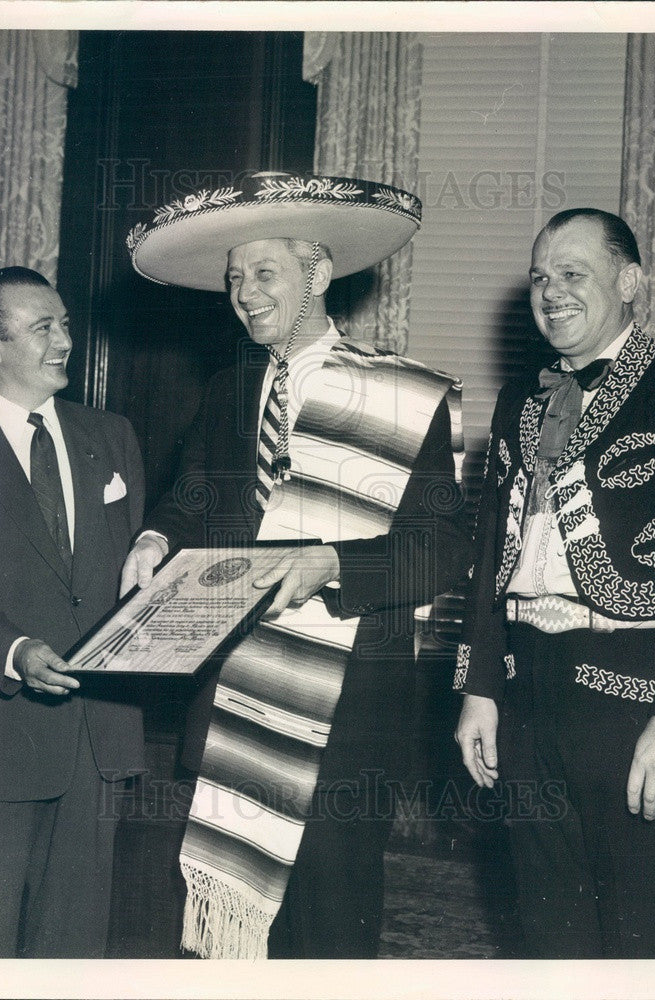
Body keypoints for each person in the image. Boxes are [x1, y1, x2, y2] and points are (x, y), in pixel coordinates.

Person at [121, 171, 472, 958]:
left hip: (349, 701)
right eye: (234, 277)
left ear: (317, 272)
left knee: (330, 917)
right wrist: (154, 538)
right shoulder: (227, 389)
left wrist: (334, 564)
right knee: (238, 926)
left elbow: (445, 548)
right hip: (236, 691)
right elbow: (190, 499)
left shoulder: (401, 396)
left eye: (264, 273)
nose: (244, 293)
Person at [454, 209, 655, 959]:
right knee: (550, 930)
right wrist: (480, 688)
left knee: (650, 933)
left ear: (630, 283)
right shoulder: (518, 403)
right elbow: (490, 552)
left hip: (636, 698)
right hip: (529, 690)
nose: (550, 291)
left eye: (572, 274)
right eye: (539, 277)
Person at [0, 267, 146, 958]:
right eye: (41, 328)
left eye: (64, 323)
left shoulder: (112, 436)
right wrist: (15, 651)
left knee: (75, 941)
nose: (65, 340)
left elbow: (134, 578)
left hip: (100, 735)